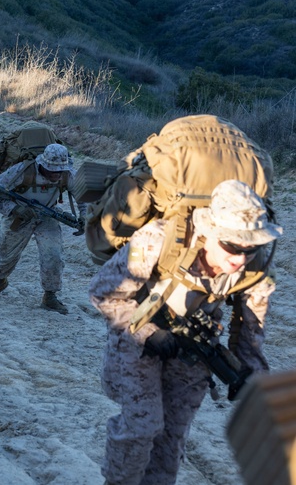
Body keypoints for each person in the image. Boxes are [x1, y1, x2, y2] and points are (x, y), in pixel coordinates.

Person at [89, 180, 280, 485]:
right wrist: (150, 332)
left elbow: (250, 335)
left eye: (251, 248)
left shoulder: (256, 270)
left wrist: (252, 383)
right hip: (137, 332)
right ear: (211, 231)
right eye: (232, 246)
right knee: (143, 425)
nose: (240, 259)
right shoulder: (159, 240)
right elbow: (103, 292)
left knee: (172, 435)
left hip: (195, 346)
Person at [0, 143, 74, 314]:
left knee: (53, 255)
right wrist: (14, 209)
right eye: (53, 170)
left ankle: (50, 296)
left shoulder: (67, 174)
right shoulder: (22, 170)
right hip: (18, 216)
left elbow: (82, 195)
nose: (57, 174)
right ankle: (0, 280)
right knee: (6, 255)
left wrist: (84, 217)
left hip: (48, 216)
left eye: (60, 170)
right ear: (43, 165)